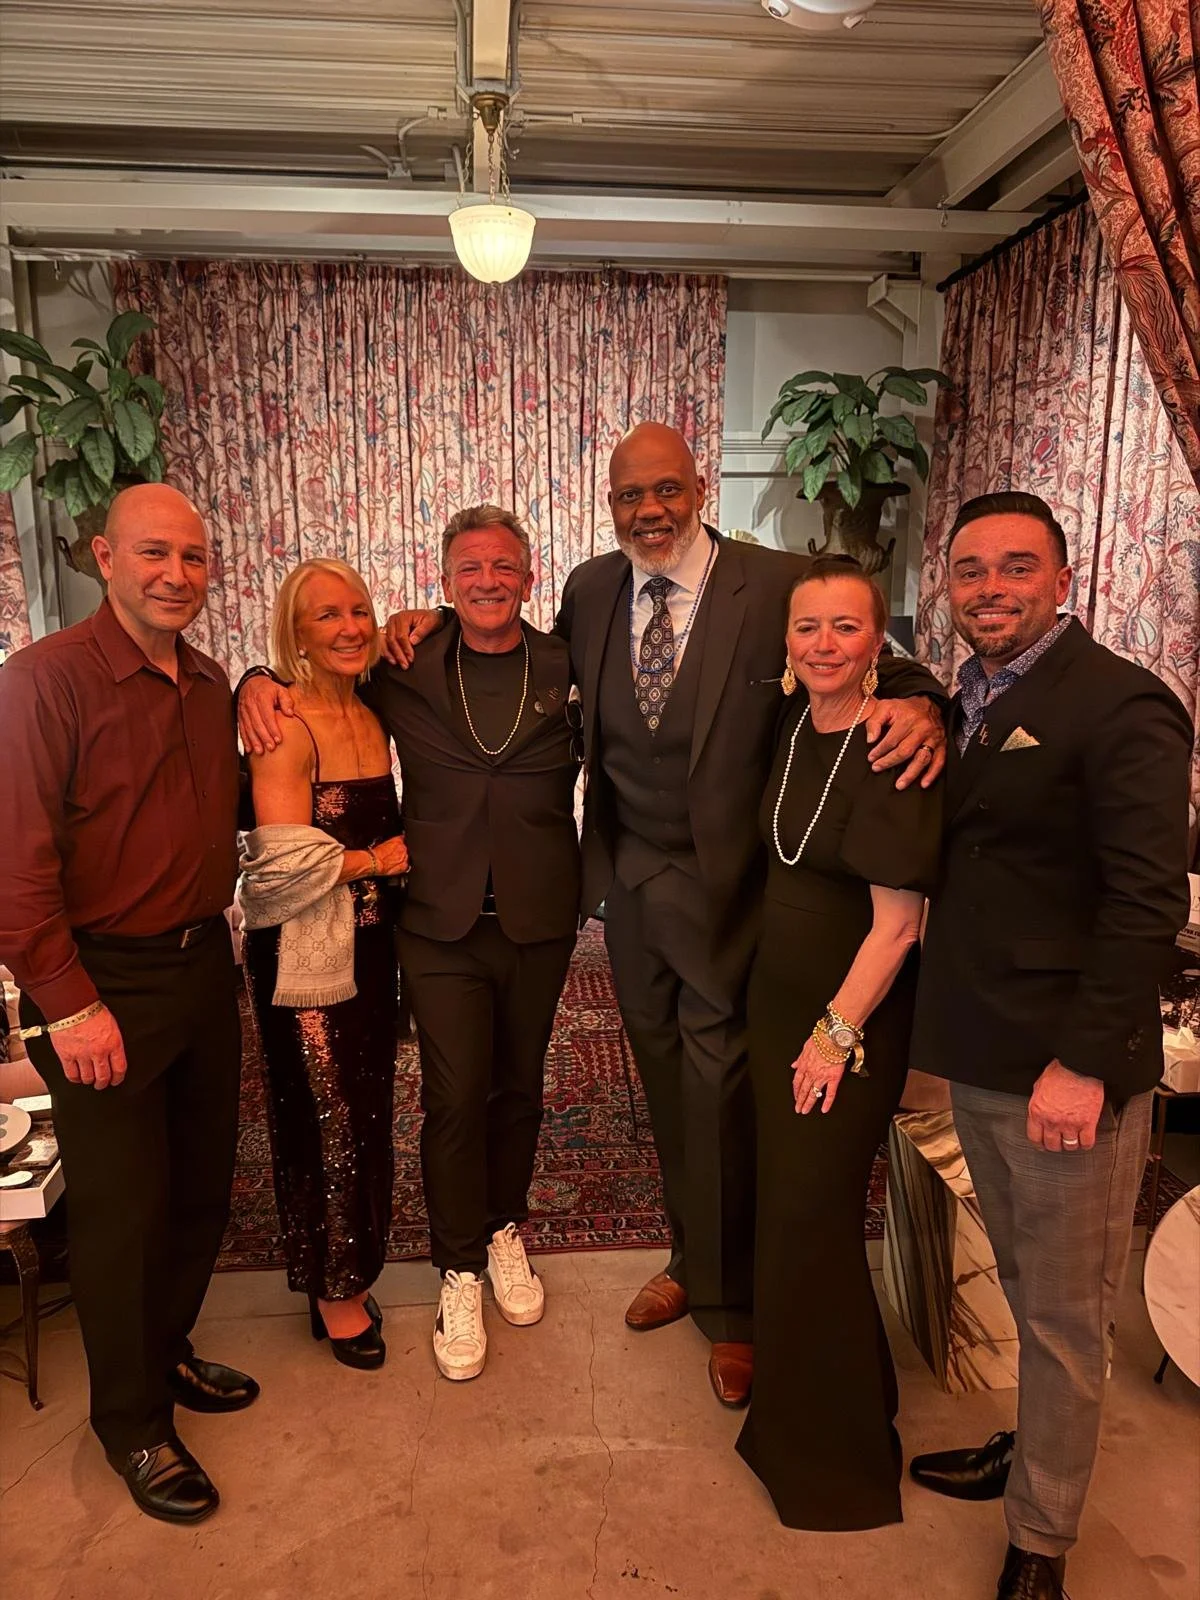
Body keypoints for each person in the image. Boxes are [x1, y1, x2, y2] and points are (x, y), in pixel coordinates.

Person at [380, 424, 946, 1405]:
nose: (650, 509)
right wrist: (406, 620)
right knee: (667, 1090)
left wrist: (925, 699)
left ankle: (734, 1308)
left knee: (723, 1088)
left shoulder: (771, 582)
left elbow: (857, 647)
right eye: (629, 494)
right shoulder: (593, 590)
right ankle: (692, 1254)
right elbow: (498, 637)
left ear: (699, 488)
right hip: (627, 893)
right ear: (608, 505)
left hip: (734, 895)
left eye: (667, 489)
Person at [907, 492, 1192, 1600]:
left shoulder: (1122, 706)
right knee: (1025, 1285)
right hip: (982, 1047)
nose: (989, 588)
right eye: (970, 569)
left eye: (1015, 567)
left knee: (1070, 1316)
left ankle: (1043, 1536)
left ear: (1063, 581)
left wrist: (1082, 1062)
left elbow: (1145, 903)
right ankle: (1032, 1451)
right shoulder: (966, 696)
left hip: (1069, 1068)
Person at [238, 507, 580, 1382]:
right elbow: (311, 677)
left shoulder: (569, 662)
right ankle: (458, 1266)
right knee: (456, 1097)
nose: (489, 582)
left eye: (504, 566)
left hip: (539, 919)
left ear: (531, 574)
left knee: (519, 1093)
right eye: (470, 569)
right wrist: (252, 678)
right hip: (435, 923)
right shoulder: (407, 665)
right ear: (444, 581)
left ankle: (506, 1228)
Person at [0, 484, 256, 1526]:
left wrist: (262, 680)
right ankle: (132, 1424)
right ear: (104, 555)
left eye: (194, 558)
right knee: (121, 1213)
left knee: (200, 1191)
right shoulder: (41, 681)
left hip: (203, 969)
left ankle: (167, 1353)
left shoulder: (204, 681)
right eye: (155, 553)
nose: (176, 576)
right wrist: (69, 1004)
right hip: (101, 981)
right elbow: (13, 870)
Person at [734, 558, 942, 1528]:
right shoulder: (795, 723)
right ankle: (815, 1409)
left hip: (846, 1021)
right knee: (790, 1214)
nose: (823, 644)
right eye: (808, 626)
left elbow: (899, 925)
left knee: (814, 1217)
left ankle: (840, 1463)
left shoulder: (896, 743)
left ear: (879, 641)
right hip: (781, 1003)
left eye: (845, 628)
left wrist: (832, 1035)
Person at [239, 559, 407, 1370]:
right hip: (305, 960)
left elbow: (434, 623)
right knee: (326, 1119)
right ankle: (334, 1289)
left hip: (376, 950)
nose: (348, 628)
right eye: (326, 617)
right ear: (294, 634)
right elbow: (273, 869)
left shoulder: (374, 708)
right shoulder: (284, 724)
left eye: (360, 611)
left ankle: (344, 1266)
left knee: (368, 1110)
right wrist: (376, 861)